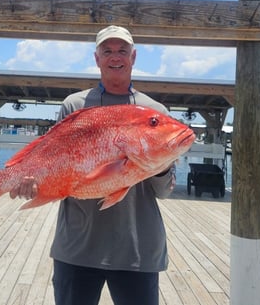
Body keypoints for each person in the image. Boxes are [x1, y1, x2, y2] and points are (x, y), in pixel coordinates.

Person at [12, 25, 176, 305]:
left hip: (137, 252)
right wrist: (33, 183)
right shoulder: (74, 106)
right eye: (107, 50)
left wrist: (158, 166)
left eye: (122, 50)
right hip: (78, 248)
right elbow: (55, 163)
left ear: (133, 57)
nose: (115, 57)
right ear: (96, 58)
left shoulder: (156, 113)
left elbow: (164, 191)